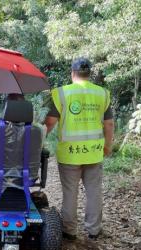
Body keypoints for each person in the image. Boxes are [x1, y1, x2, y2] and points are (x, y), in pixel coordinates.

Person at [44, 58, 114, 240]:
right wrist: (107, 146)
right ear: (89, 74)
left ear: (72, 73)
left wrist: (37, 141)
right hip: (94, 153)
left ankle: (69, 230)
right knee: (94, 192)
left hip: (69, 154)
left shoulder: (62, 93)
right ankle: (94, 230)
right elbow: (109, 124)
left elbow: (50, 122)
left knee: (70, 193)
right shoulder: (102, 93)